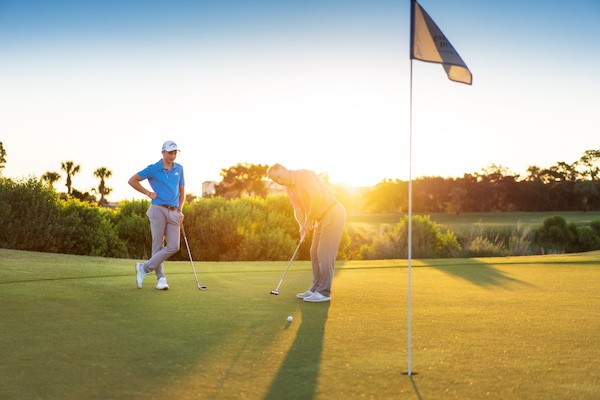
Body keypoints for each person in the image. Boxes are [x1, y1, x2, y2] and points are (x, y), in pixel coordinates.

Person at [267, 163, 346, 303]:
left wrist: (309, 221)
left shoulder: (303, 175)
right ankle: (315, 289)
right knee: (314, 252)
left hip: (333, 213)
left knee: (324, 253)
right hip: (319, 218)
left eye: (279, 176)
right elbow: (297, 209)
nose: (279, 181)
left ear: (285, 170)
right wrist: (302, 225)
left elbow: (317, 198)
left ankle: (324, 292)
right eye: (276, 180)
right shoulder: (289, 188)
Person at [128, 140, 185, 290]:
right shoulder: (153, 168)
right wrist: (148, 193)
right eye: (170, 153)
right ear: (163, 153)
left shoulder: (179, 168)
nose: (172, 156)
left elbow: (182, 192)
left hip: (174, 211)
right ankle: (161, 279)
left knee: (174, 246)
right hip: (158, 209)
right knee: (157, 245)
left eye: (174, 153)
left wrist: (180, 209)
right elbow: (132, 180)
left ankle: (144, 268)